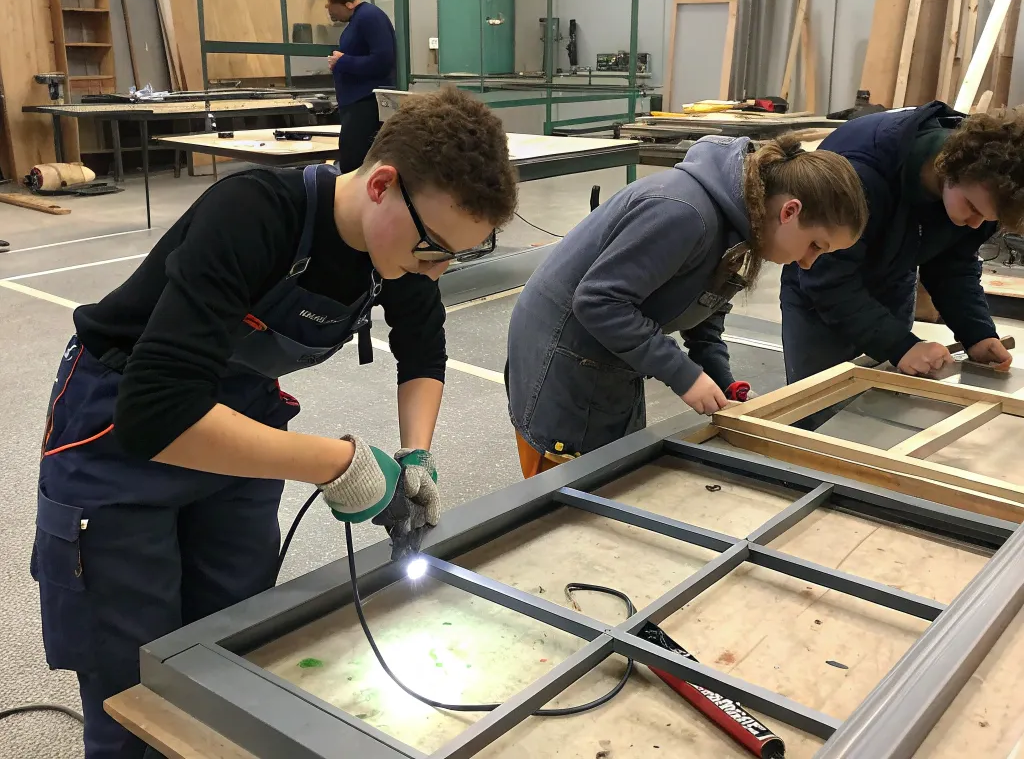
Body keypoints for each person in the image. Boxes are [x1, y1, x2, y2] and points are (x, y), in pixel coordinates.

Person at [31, 87, 518, 759]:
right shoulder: (255, 211)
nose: (433, 270)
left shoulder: (400, 248)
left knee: (232, 644)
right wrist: (336, 463)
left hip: (236, 423)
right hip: (119, 425)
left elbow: (423, 350)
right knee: (133, 676)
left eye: (453, 257)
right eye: (433, 249)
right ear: (382, 185)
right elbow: (157, 415)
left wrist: (416, 454)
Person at [505, 134, 868, 478]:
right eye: (815, 246)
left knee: (613, 477)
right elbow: (600, 301)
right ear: (790, 211)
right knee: (567, 506)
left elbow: (704, 309)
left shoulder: (739, 223)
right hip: (562, 363)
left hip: (611, 359)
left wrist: (723, 382)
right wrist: (685, 376)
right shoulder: (683, 213)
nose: (808, 263)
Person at [780, 102, 1024, 384]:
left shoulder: (991, 184)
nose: (975, 224)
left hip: (894, 273)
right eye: (972, 208)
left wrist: (977, 333)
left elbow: (953, 267)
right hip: (819, 286)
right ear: (950, 168)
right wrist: (899, 345)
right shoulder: (862, 174)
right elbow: (827, 279)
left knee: (885, 405)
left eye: (987, 218)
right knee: (815, 404)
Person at [326, 0, 398, 172]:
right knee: (351, 161)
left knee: (355, 165)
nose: (331, 15)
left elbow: (383, 60)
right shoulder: (359, 19)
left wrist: (343, 62)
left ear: (347, 3)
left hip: (366, 104)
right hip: (356, 104)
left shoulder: (369, 16)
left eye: (333, 9)